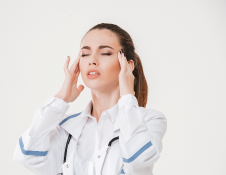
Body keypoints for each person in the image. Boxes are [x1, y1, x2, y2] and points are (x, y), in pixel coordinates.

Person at [13, 23, 167, 175]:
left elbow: (138, 161)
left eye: (105, 53)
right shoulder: (65, 127)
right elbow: (27, 155)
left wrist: (127, 96)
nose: (92, 60)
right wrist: (62, 97)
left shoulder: (149, 120)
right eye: (85, 54)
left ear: (127, 65)